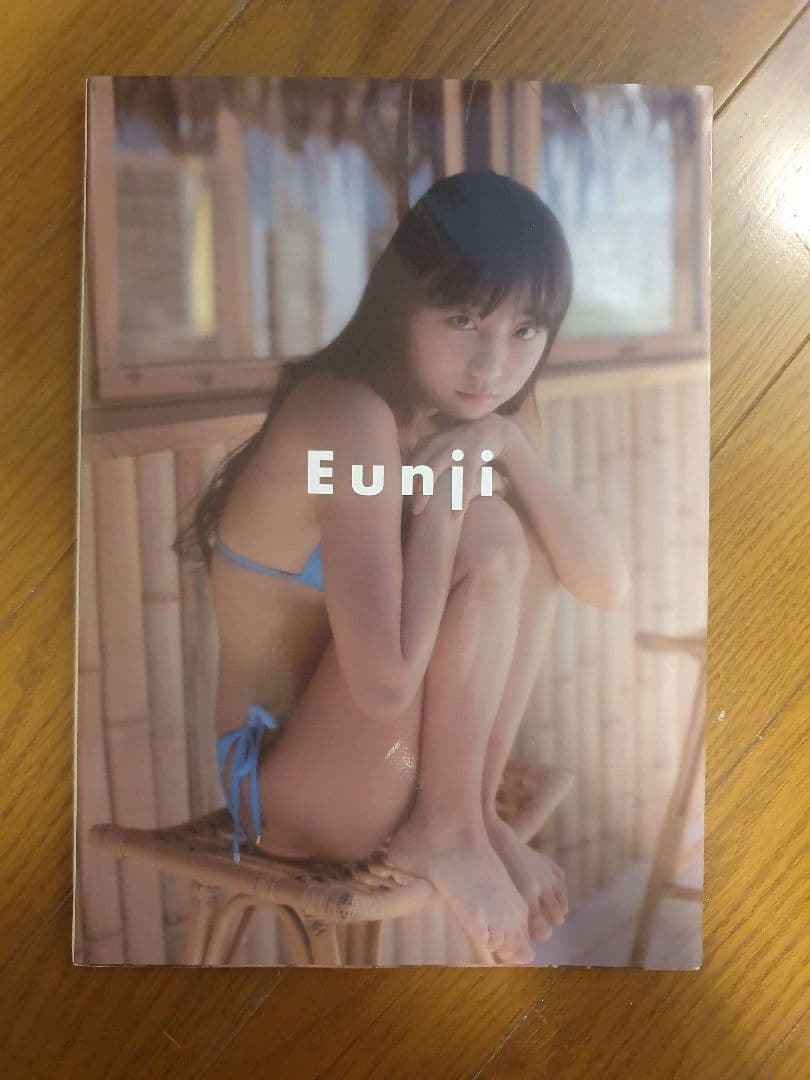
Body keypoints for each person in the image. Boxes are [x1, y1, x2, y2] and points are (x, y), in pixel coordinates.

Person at [180, 171, 629, 965]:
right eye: (462, 319)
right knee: (490, 530)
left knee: (523, 540)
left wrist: (509, 446)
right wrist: (449, 514)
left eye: (525, 331)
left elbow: (603, 585)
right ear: (400, 305)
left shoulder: (472, 416)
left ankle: (468, 816)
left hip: (391, 763)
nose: (491, 365)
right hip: (287, 792)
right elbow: (385, 686)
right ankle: (451, 828)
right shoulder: (347, 415)